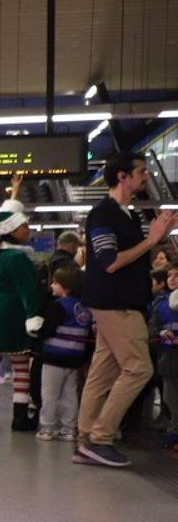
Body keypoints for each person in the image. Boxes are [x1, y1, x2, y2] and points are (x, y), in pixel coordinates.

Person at [76, 151, 178, 468]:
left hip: (121, 302)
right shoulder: (103, 214)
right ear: (123, 176)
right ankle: (99, 437)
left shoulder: (129, 215)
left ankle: (84, 440)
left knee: (102, 372)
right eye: (141, 171)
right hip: (115, 304)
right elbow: (110, 263)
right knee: (139, 369)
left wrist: (152, 241)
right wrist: (153, 241)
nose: (146, 176)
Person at [0, 202, 40, 431]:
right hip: (12, 311)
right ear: (11, 230)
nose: (28, 229)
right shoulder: (17, 257)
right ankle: (20, 417)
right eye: (24, 225)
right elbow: (27, 289)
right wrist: (33, 315)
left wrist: (12, 198)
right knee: (21, 364)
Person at [31, 265, 93, 440]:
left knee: (49, 394)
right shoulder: (83, 308)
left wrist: (37, 331)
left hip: (54, 358)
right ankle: (69, 429)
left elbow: (48, 330)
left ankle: (47, 428)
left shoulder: (57, 306)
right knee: (70, 395)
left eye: (55, 283)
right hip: (75, 358)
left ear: (66, 286)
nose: (51, 285)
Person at [149, 268, 178, 443]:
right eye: (170, 275)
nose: (172, 279)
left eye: (177, 276)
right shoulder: (161, 304)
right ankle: (173, 429)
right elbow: (152, 326)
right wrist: (161, 331)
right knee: (169, 397)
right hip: (168, 358)